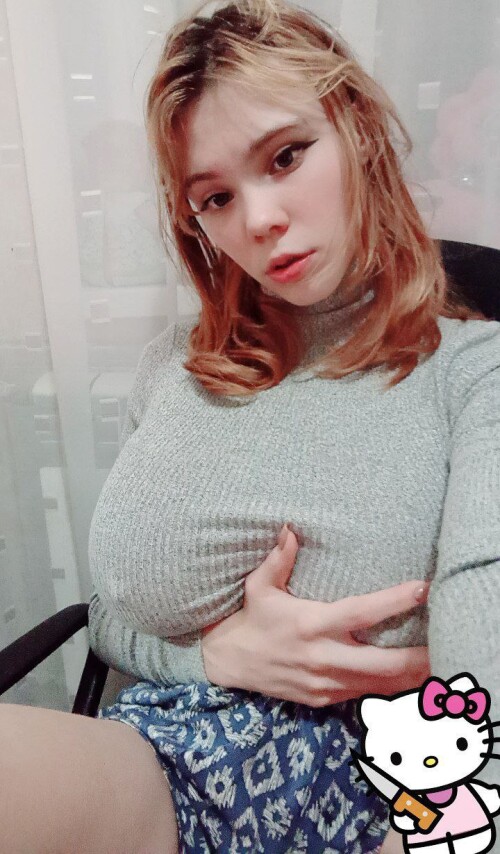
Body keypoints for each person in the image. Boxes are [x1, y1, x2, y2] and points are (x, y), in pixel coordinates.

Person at [2, 0, 493, 852]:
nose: (258, 220)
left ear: (358, 129)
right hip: (166, 762)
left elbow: (486, 644)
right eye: (217, 197)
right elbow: (110, 615)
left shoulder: (473, 371)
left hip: (384, 784)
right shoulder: (175, 365)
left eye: (286, 156)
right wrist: (213, 657)